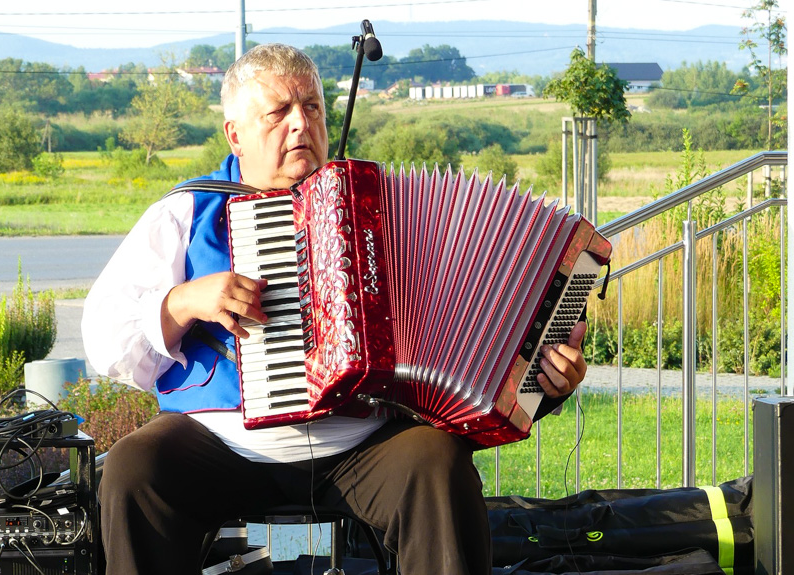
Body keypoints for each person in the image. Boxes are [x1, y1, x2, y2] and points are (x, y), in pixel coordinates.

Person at [82, 43, 588, 575]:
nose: (301, 124)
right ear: (235, 134)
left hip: (360, 441)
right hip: (223, 440)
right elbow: (104, 338)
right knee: (133, 469)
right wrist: (181, 302)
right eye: (278, 112)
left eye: (313, 108)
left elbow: (476, 327)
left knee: (438, 465)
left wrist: (542, 376)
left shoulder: (383, 208)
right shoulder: (186, 211)